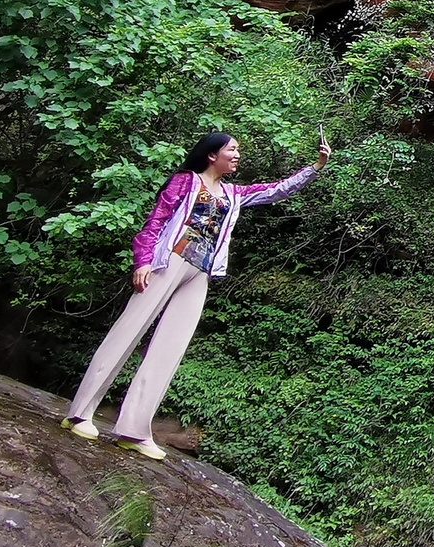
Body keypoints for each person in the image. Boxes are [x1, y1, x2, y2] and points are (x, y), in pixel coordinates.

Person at [63, 130, 329, 459]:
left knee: (169, 349)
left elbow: (275, 191)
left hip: (199, 272)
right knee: (128, 332)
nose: (237, 155)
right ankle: (80, 413)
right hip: (167, 262)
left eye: (238, 151)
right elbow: (156, 221)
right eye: (232, 150)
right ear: (211, 155)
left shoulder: (233, 194)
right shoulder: (185, 182)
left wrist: (316, 166)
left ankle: (133, 429)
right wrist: (142, 261)